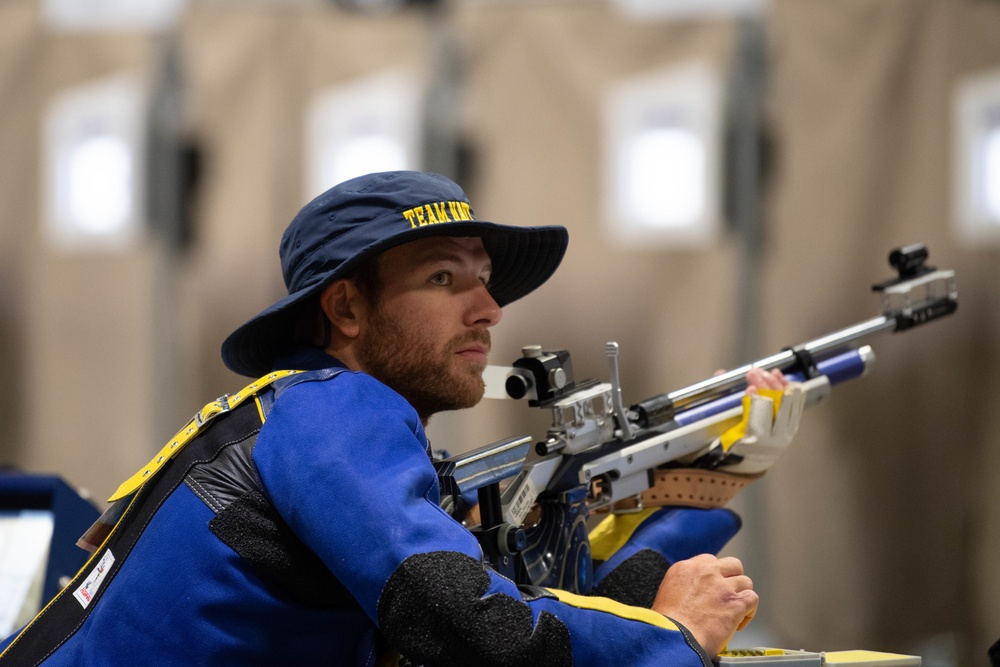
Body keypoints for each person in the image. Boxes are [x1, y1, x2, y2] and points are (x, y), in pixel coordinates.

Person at [0, 170, 787, 666]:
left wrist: (712, 480)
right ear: (345, 307)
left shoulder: (299, 417)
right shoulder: (337, 409)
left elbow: (522, 600)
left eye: (486, 282)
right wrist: (669, 641)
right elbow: (470, 626)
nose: (488, 310)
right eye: (446, 277)